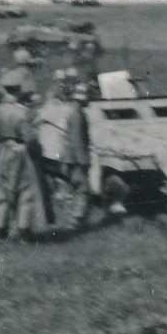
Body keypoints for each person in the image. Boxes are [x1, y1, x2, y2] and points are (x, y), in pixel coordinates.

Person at [0, 72, 40, 241]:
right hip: (18, 153)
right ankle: (25, 233)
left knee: (3, 193)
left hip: (1, 150)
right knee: (25, 192)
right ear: (18, 90)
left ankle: (0, 232)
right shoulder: (22, 112)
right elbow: (29, 138)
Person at [60, 83, 97, 231]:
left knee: (76, 191)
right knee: (84, 191)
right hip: (76, 160)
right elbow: (77, 141)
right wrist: (84, 162)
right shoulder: (77, 116)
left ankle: (75, 222)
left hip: (70, 159)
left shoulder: (74, 113)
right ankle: (74, 223)